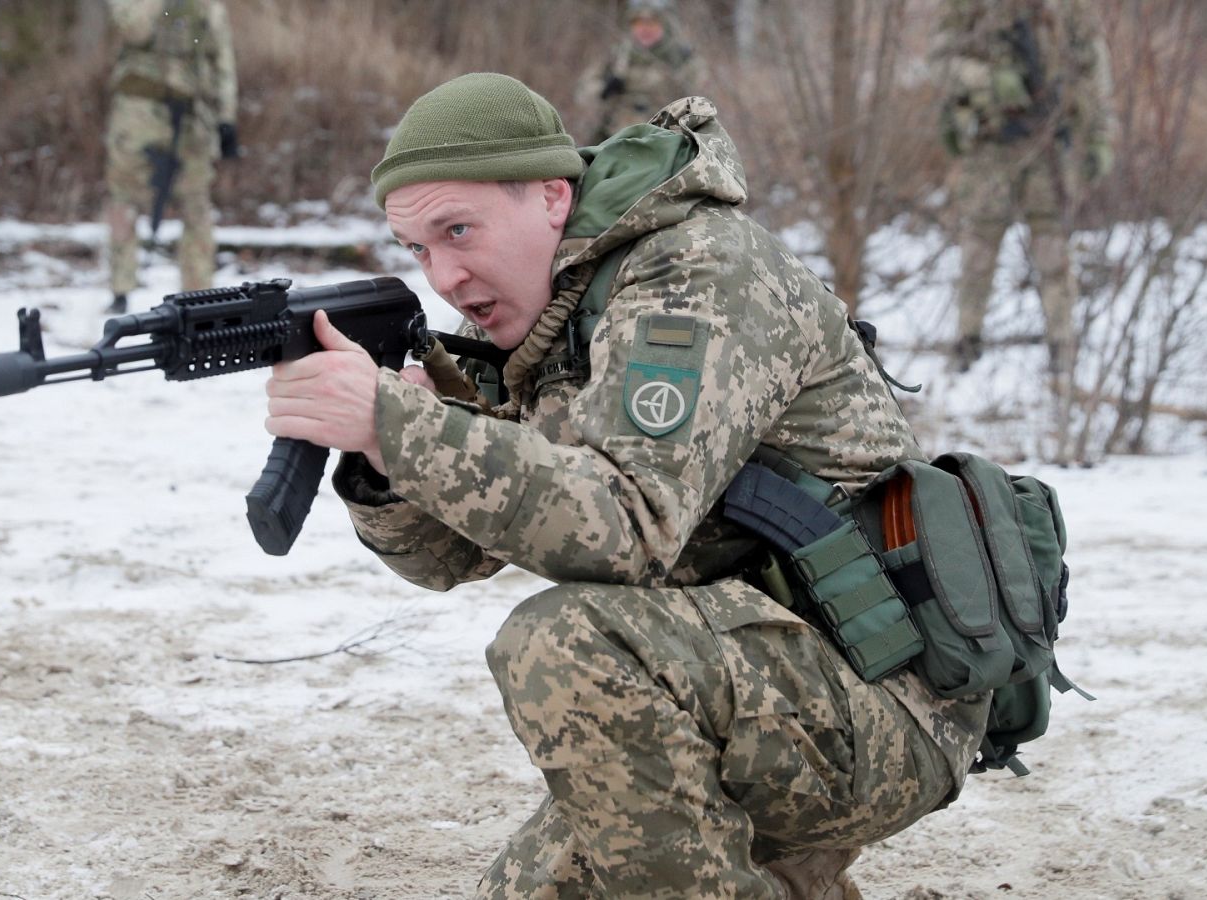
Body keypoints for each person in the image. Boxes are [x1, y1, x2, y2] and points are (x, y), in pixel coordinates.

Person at [264, 73, 990, 898]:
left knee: (565, 643)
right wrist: (385, 456)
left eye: (459, 230)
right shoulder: (552, 305)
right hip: (743, 680)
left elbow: (625, 524)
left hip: (882, 702)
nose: (446, 275)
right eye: (421, 250)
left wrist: (403, 427)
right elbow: (448, 559)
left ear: (549, 197)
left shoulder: (696, 274)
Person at [935, 0, 1114, 374]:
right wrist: (988, 79)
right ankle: (966, 340)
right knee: (978, 253)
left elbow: (1096, 73)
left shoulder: (1073, 11)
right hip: (991, 148)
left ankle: (1062, 346)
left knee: (1053, 251)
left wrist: (1101, 139)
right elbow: (941, 61)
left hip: (1048, 148)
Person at [103, 0, 238, 314]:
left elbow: (222, 57)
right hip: (137, 112)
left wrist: (227, 117)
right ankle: (120, 288)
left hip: (191, 114)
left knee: (196, 203)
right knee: (123, 198)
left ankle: (198, 292)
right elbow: (132, 29)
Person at [577, 0, 704, 144]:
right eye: (639, 24)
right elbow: (584, 91)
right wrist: (605, 89)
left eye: (652, 24)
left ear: (664, 25)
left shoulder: (681, 57)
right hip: (619, 135)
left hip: (666, 135)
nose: (645, 30)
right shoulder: (616, 55)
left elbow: (700, 97)